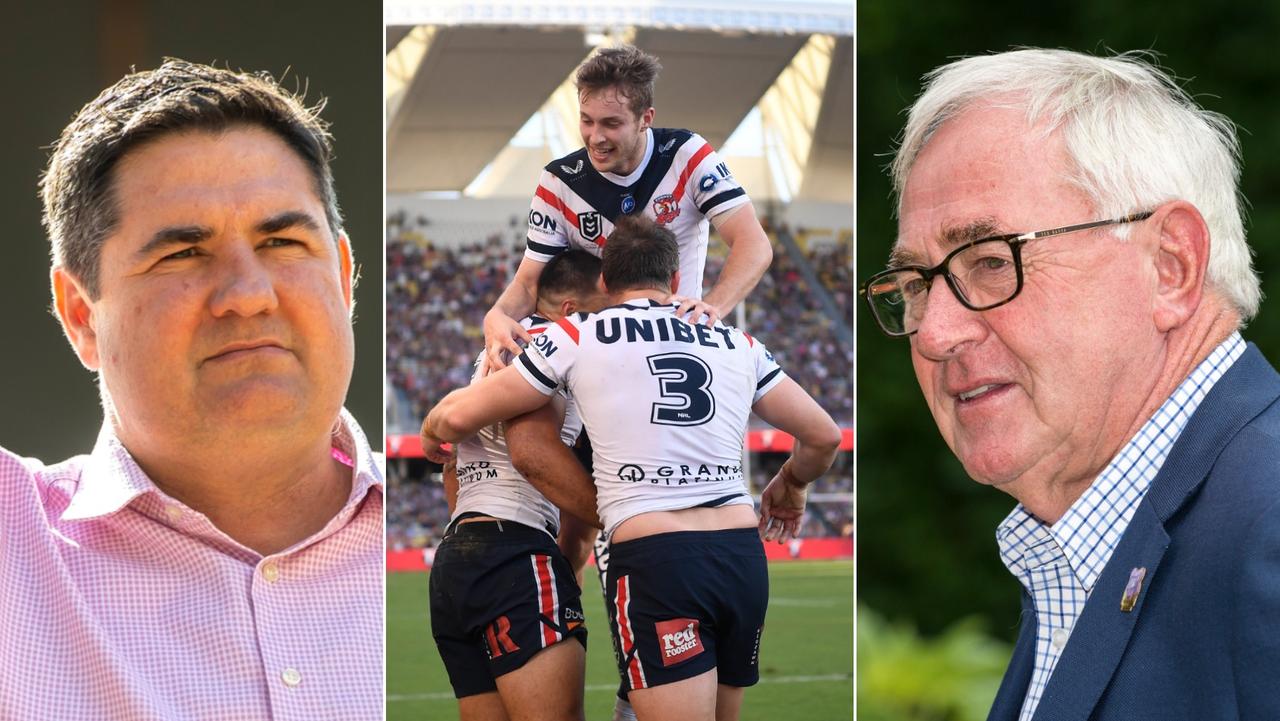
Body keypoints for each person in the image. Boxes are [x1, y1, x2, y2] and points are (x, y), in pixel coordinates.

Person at [860, 48, 1280, 719]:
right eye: (915, 285)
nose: (935, 334)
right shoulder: (1081, 546)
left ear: (1170, 265)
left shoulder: (1266, 531)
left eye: (992, 261)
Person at [0, 60, 382, 719]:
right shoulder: (15, 547)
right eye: (182, 253)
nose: (249, 294)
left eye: (283, 240)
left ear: (345, 278)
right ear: (81, 316)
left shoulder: (476, 513)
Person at [423, 215, 841, 721]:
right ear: (675, 279)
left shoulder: (577, 333)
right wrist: (792, 482)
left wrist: (432, 430)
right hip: (741, 555)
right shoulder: (738, 342)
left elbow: (462, 418)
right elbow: (823, 436)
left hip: (656, 554)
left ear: (605, 280)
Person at [482, 43, 773, 371]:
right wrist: (498, 315)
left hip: (673, 339)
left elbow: (754, 244)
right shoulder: (559, 181)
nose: (595, 137)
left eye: (611, 123)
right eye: (587, 121)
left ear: (645, 119)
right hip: (592, 350)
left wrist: (711, 309)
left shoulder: (687, 155)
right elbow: (528, 282)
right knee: (500, 368)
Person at [429, 250, 608, 721]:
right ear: (572, 310)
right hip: (516, 551)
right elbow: (533, 454)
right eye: (604, 311)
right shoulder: (555, 349)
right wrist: (625, 515)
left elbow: (451, 462)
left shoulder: (487, 359)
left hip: (458, 555)